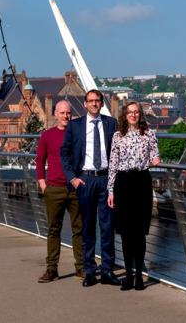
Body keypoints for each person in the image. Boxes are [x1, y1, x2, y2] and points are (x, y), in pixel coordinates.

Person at [60, 89, 121, 287]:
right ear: (85, 104)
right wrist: (72, 178)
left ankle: (107, 271)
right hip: (85, 180)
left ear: (102, 103)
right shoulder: (74, 126)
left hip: (106, 180)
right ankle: (89, 271)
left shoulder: (111, 123)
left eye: (97, 101)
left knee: (107, 227)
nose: (94, 104)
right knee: (87, 228)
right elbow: (64, 153)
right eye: (91, 101)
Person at [107, 101, 160, 291]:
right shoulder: (117, 136)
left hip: (142, 182)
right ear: (125, 115)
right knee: (126, 233)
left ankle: (139, 276)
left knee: (140, 232)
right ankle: (128, 275)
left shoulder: (149, 135)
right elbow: (112, 164)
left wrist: (155, 158)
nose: (133, 115)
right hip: (123, 182)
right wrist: (110, 191)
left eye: (136, 112)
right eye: (129, 112)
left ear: (140, 115)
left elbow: (155, 154)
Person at [36, 100, 84, 283]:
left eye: (68, 113)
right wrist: (43, 184)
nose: (66, 116)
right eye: (62, 113)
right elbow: (39, 160)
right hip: (54, 188)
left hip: (74, 189)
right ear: (55, 114)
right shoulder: (47, 136)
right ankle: (51, 269)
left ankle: (80, 267)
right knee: (53, 230)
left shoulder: (77, 135)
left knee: (78, 229)